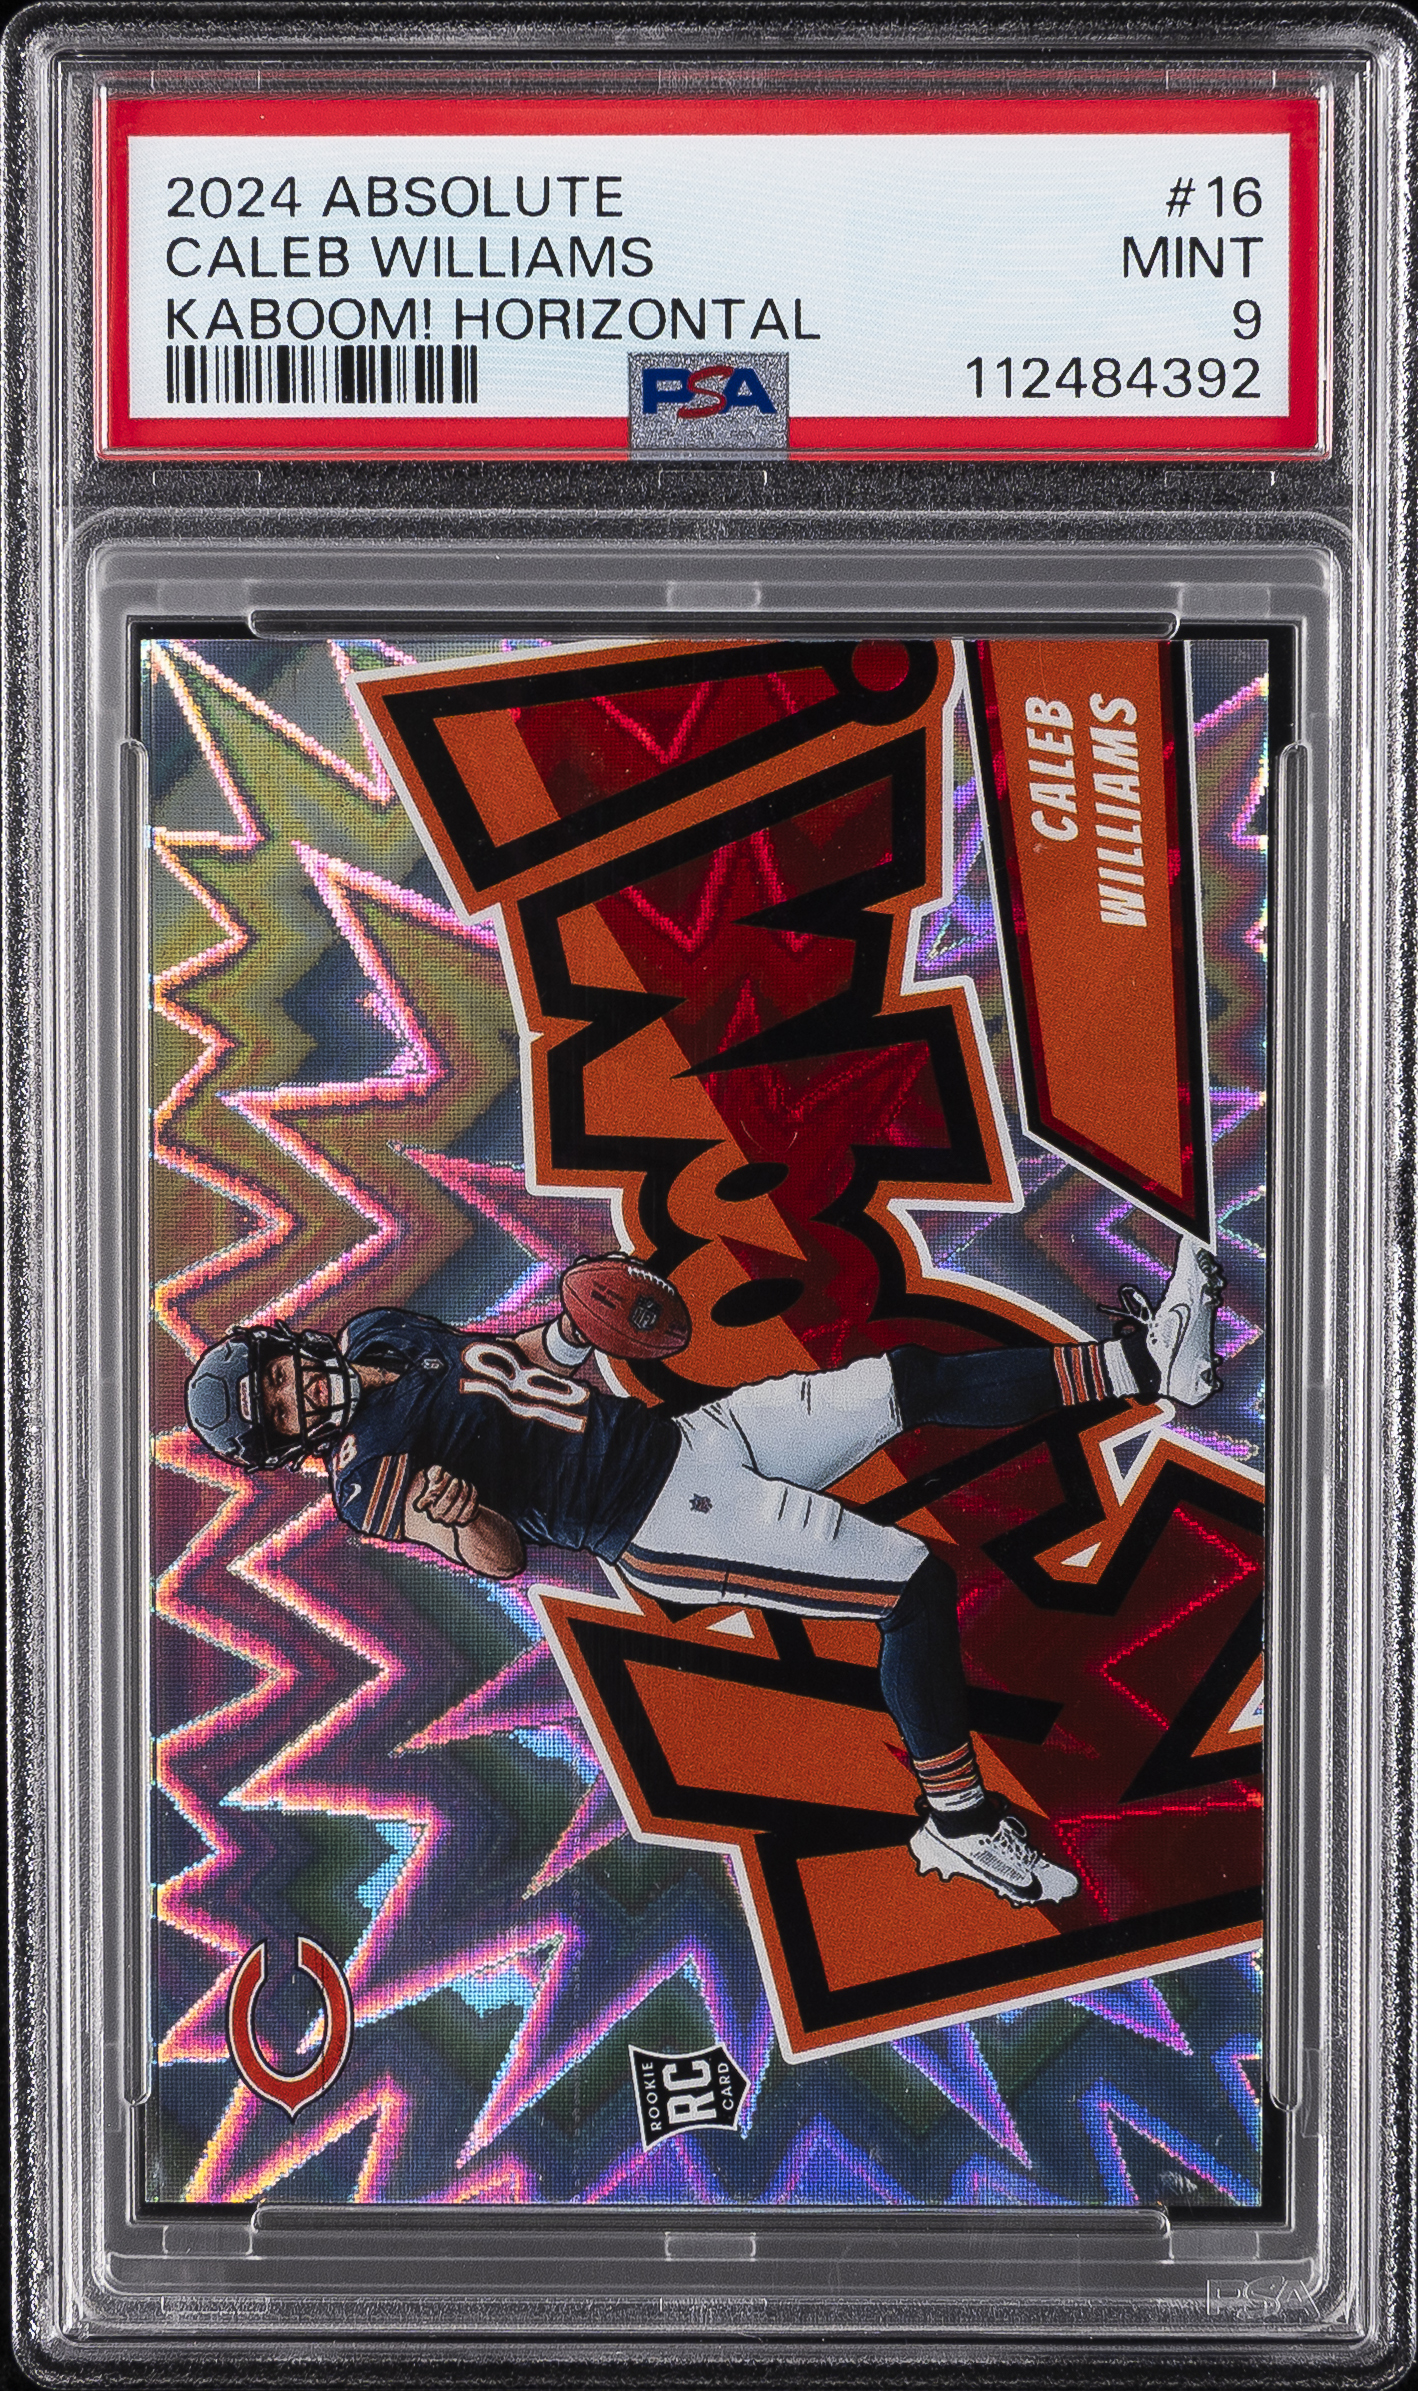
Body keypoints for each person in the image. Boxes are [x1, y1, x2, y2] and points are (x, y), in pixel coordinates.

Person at [184, 1239, 1223, 1912]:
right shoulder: (368, 1480)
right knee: (909, 1589)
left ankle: (1144, 1367)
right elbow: (502, 1556)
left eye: (276, 1376)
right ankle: (958, 1824)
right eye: (276, 1410)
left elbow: (508, 1369)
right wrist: (463, 1520)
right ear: (283, 1443)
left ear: (281, 1345)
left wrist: (571, 1332)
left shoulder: (378, 1331)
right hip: (662, 1519)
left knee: (901, 1384)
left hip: (687, 1438)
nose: (293, 1392)